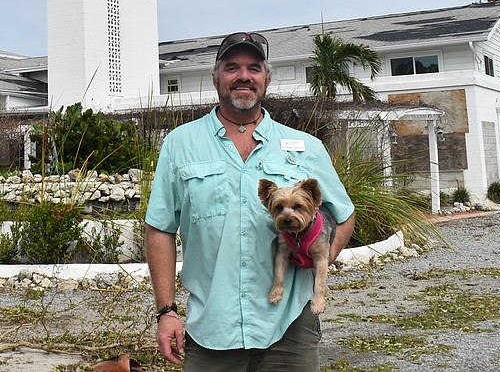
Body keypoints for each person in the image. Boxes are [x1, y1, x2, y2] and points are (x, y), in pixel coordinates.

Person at [145, 31, 356, 372]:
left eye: (253, 67)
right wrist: (166, 311)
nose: (243, 75)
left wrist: (321, 255)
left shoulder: (305, 146)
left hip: (290, 327)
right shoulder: (179, 145)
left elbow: (344, 215)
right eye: (232, 67)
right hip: (212, 326)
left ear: (266, 79)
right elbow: (159, 229)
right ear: (216, 78)